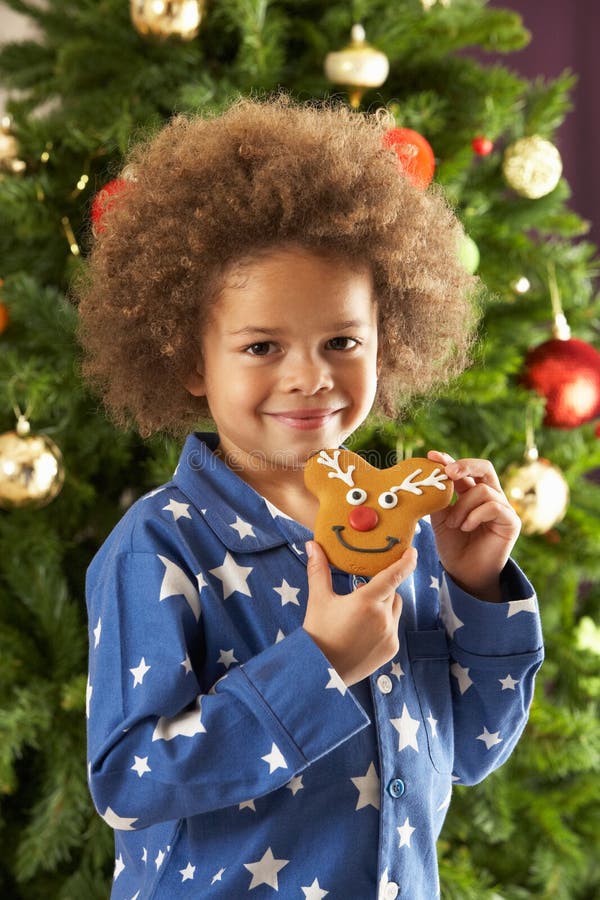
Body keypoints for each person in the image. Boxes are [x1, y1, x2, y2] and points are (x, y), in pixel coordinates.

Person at [77, 95, 544, 899]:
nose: (309, 376)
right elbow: (129, 783)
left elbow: (471, 752)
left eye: (342, 341)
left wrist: (477, 587)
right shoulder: (159, 547)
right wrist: (319, 666)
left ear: (386, 339)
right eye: (262, 346)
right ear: (191, 362)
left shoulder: (411, 535)